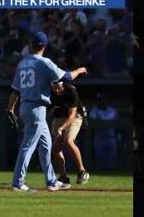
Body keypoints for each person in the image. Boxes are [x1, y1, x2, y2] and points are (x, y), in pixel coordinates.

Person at [6, 31, 87, 192]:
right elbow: (67, 77)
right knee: (28, 146)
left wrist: (10, 108)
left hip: (26, 106)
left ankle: (51, 181)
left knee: (45, 145)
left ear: (31, 45)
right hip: (36, 107)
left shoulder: (22, 63)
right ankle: (18, 182)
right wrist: (80, 70)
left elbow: (15, 90)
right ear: (44, 46)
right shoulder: (44, 62)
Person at [49, 81, 89, 186]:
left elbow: (72, 115)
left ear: (62, 84)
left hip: (74, 116)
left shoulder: (71, 90)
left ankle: (82, 171)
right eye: (54, 88)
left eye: (58, 87)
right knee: (56, 147)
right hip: (58, 117)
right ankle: (63, 177)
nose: (57, 90)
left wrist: (62, 128)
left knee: (68, 140)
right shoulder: (49, 91)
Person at [89, 92, 119, 171]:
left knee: (111, 159)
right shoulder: (94, 110)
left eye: (103, 99)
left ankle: (112, 175)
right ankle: (99, 174)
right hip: (99, 137)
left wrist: (100, 120)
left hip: (111, 137)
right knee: (99, 158)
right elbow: (92, 120)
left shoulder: (112, 110)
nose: (102, 101)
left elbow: (111, 121)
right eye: (100, 100)